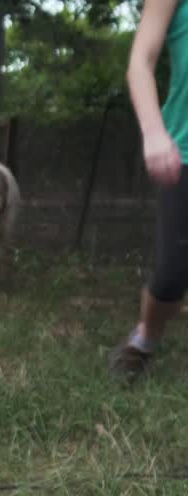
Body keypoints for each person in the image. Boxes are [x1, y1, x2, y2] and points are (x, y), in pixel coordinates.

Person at [110, 0, 188, 379]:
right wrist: (154, 132)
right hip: (183, 150)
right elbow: (141, 61)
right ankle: (144, 339)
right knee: (172, 274)